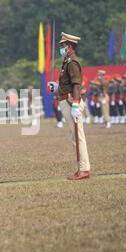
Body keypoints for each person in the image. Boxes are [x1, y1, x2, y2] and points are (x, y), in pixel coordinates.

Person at [48, 32, 90, 180]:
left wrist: (76, 105)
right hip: (67, 99)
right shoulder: (67, 62)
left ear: (70, 47)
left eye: (63, 46)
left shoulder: (72, 63)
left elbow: (77, 86)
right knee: (75, 137)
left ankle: (83, 170)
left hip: (72, 101)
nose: (61, 48)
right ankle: (80, 168)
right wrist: (57, 87)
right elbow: (67, 85)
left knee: (78, 137)